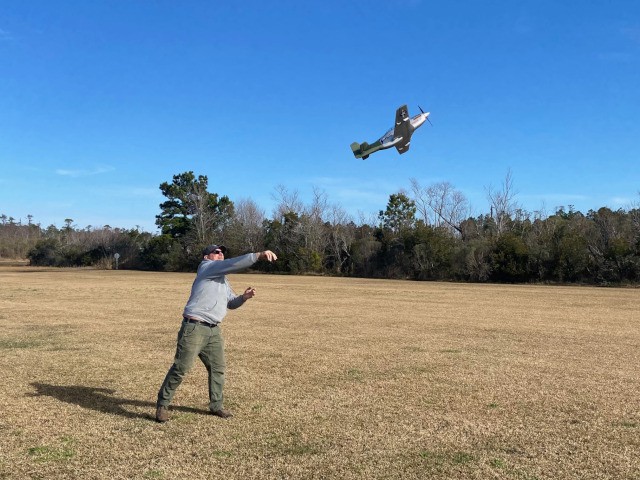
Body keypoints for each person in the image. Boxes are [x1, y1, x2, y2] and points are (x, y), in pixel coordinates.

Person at [155, 244, 277, 423]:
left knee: (217, 368)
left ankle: (216, 406)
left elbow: (231, 303)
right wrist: (258, 255)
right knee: (181, 368)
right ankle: (162, 405)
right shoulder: (207, 267)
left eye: (222, 253)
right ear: (207, 257)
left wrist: (244, 297)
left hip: (213, 330)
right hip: (194, 328)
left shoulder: (223, 280)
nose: (221, 255)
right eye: (216, 252)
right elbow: (233, 263)